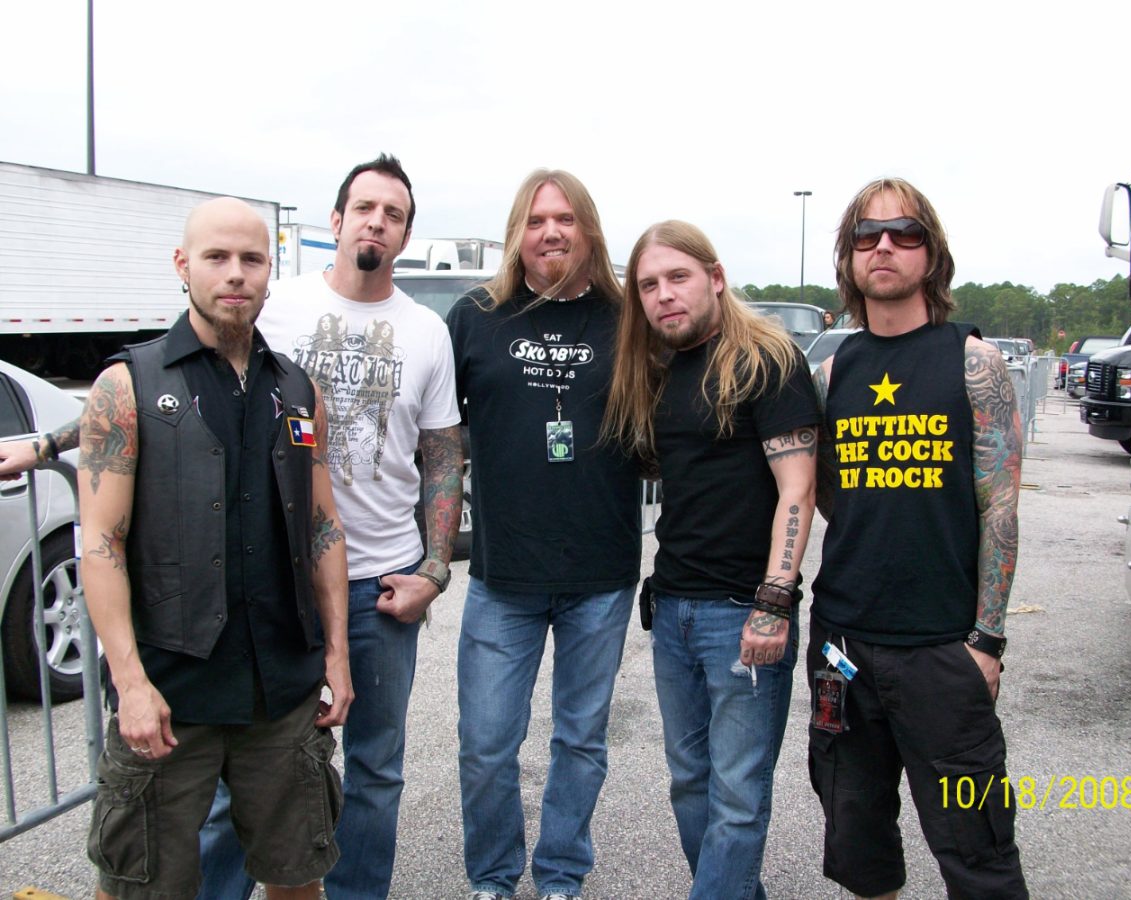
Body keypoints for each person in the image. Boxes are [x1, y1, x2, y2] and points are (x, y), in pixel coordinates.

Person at [199, 154, 463, 899]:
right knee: (240, 772)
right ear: (337, 221)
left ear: (405, 235)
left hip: (382, 584)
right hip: (276, 581)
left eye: (394, 214)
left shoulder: (426, 332)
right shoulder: (274, 304)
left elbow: (444, 456)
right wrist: (53, 444)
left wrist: (434, 571)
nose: (378, 222)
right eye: (366, 208)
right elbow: (172, 387)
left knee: (376, 770)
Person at [77, 197, 352, 900]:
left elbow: (323, 526)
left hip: (280, 692)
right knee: (138, 886)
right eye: (217, 257)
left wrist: (337, 654)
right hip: (169, 695)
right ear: (183, 265)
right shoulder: (128, 385)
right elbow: (100, 544)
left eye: (252, 259)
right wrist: (131, 684)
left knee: (298, 879)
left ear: (269, 271)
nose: (236, 274)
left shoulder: (297, 390)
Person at [807, 178, 1027, 899]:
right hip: (842, 646)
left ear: (931, 253)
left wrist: (986, 641)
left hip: (943, 650)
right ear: (849, 256)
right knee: (858, 844)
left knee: (979, 851)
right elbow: (830, 494)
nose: (884, 247)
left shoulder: (975, 363)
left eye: (904, 233)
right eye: (866, 235)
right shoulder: (832, 374)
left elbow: (1000, 510)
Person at [603, 220, 821, 900]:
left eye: (678, 277)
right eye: (648, 285)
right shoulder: (660, 373)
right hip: (673, 609)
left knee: (738, 793)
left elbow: (798, 490)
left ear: (716, 278)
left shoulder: (767, 360)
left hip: (743, 612)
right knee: (690, 782)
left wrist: (774, 601)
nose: (664, 295)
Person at [445, 169, 641, 900]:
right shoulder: (476, 316)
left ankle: (561, 875)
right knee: (486, 746)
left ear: (588, 230)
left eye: (565, 218)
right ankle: (494, 878)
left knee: (580, 741)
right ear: (515, 236)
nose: (550, 232)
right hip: (503, 576)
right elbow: (434, 433)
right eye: (535, 220)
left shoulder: (628, 318)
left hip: (601, 572)